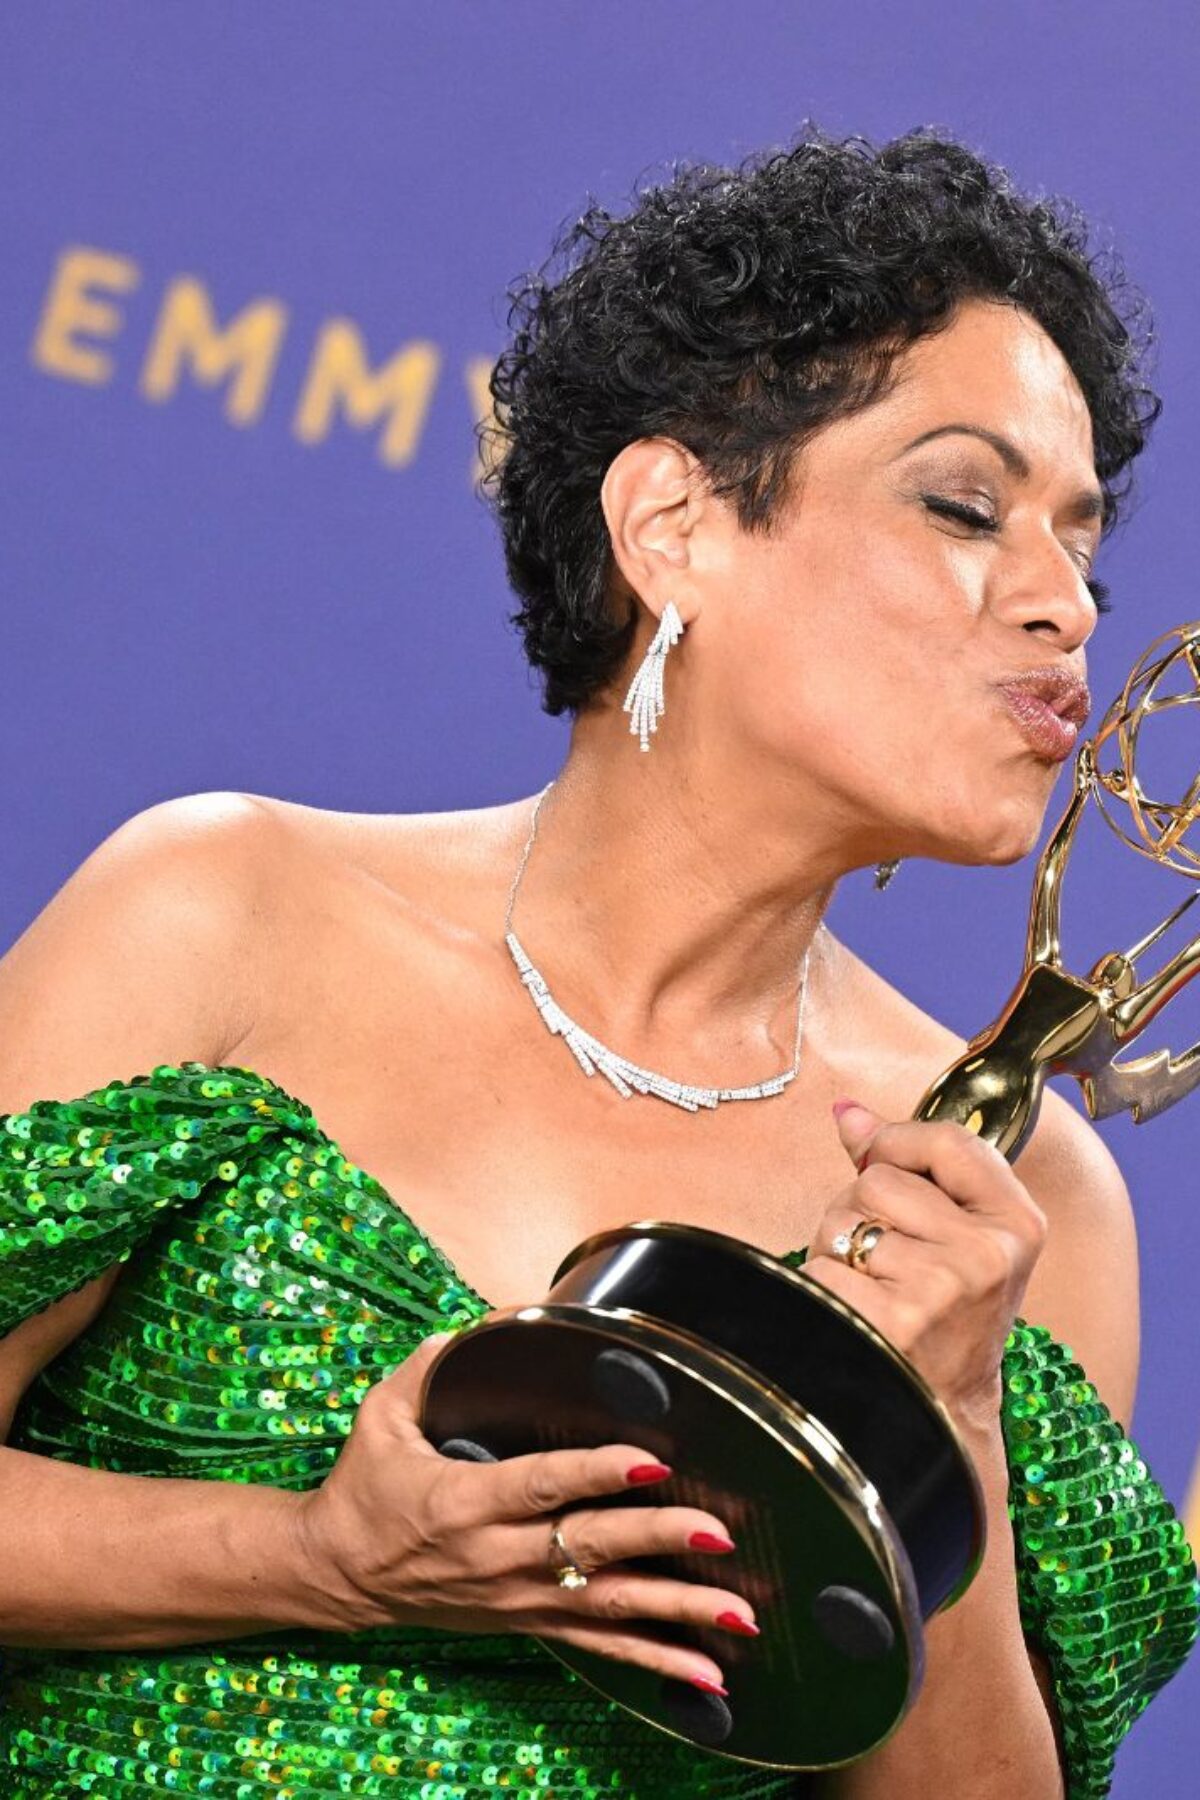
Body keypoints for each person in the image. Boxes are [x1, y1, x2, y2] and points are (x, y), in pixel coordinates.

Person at [0, 124, 1195, 1800]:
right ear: (673, 524)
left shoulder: (1032, 1207)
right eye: (963, 506)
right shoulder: (224, 912)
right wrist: (319, 1555)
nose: (1065, 604)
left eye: (1086, 545)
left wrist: (956, 1437)